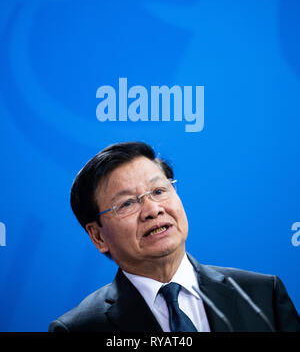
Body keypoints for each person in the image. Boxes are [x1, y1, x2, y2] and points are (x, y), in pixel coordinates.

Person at [49, 141, 300, 332]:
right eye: (126, 204)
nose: (153, 209)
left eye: (159, 190)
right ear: (98, 236)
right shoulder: (79, 328)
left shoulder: (263, 295)